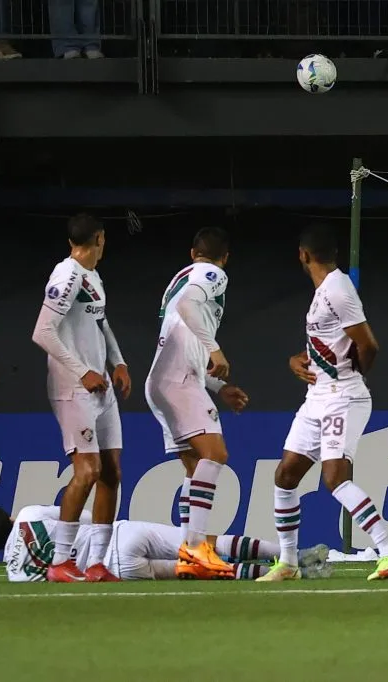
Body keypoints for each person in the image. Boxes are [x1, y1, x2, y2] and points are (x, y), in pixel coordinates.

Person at [257, 224, 388, 583]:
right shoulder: (324, 290)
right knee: (285, 475)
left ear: (303, 255)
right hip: (317, 398)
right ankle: (289, 563)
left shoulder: (338, 289)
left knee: (335, 479)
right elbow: (329, 344)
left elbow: (368, 344)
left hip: (343, 397)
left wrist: (349, 376)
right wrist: (297, 359)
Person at [31, 213, 129, 583]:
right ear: (100, 238)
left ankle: (98, 563)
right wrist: (81, 371)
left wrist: (116, 362)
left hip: (100, 386)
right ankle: (60, 561)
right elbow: (42, 331)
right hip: (75, 388)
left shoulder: (92, 276)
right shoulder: (68, 275)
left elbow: (100, 322)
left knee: (112, 473)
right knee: (87, 471)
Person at [145, 227, 241, 579]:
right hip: (178, 381)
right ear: (225, 257)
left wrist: (217, 386)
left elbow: (183, 331)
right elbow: (188, 307)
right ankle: (197, 547)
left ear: (191, 252)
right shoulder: (212, 274)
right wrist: (215, 348)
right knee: (216, 455)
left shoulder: (180, 277)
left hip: (163, 380)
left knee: (194, 467)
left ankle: (189, 554)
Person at [0, 505, 332, 582]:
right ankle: (292, 556)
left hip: (118, 569)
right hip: (120, 535)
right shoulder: (27, 514)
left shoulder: (16, 574)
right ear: (7, 519)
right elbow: (82, 516)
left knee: (200, 570)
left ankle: (272, 573)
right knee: (206, 542)